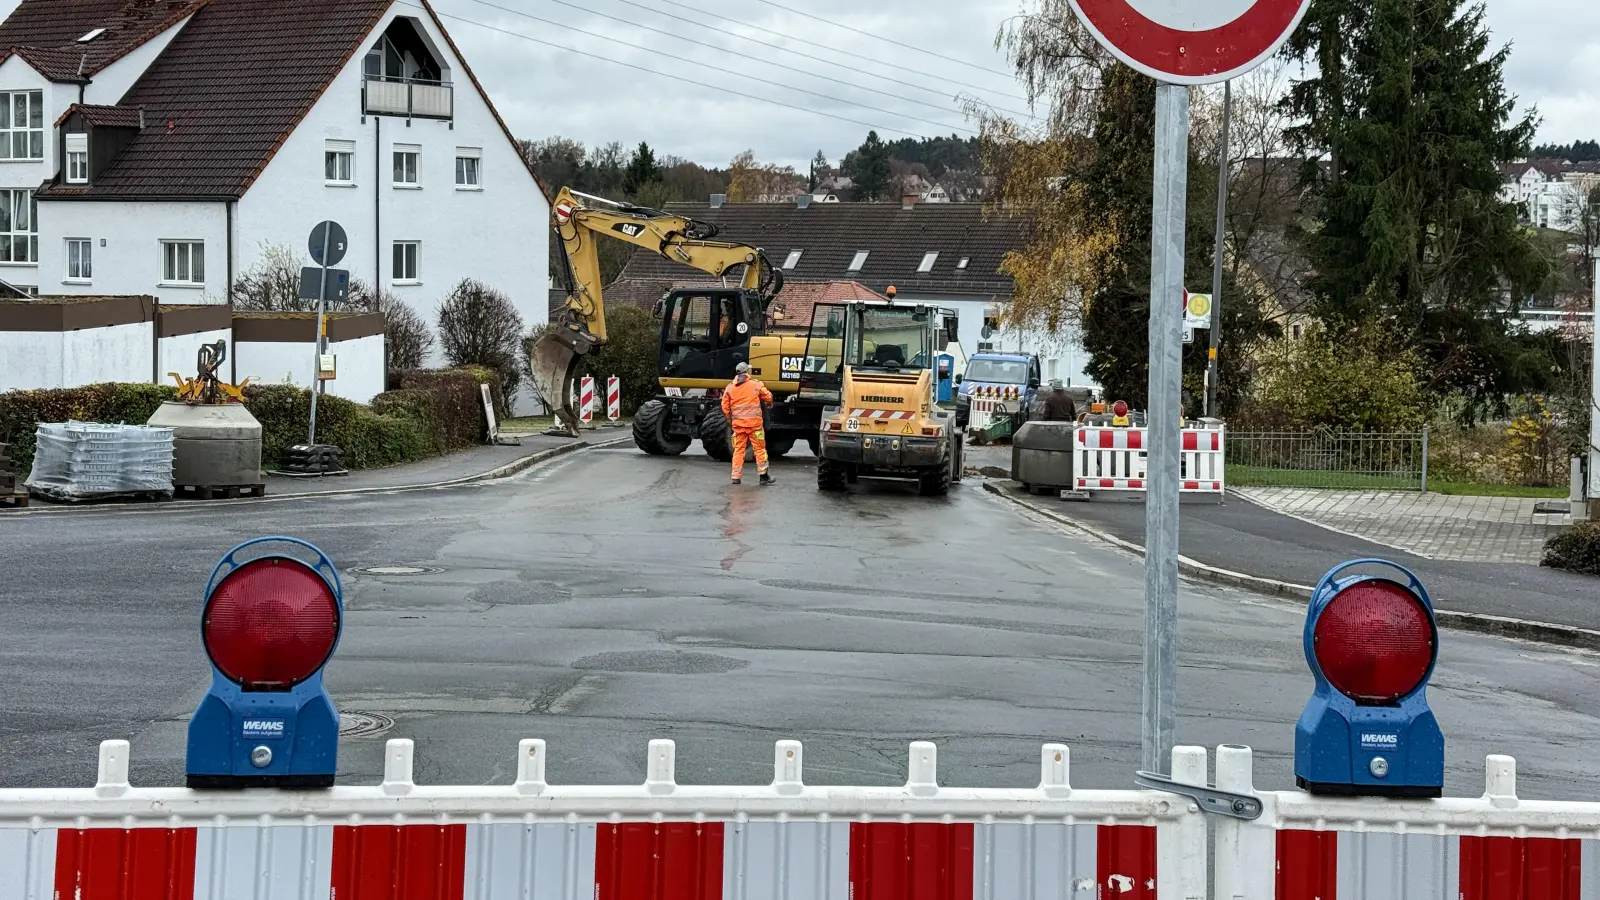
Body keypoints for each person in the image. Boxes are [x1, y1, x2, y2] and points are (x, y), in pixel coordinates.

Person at [720, 362, 775, 486]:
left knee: (738, 450)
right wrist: (769, 403)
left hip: (739, 427)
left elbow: (725, 407)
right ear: (747, 372)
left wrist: (731, 421)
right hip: (755, 426)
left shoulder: (730, 388)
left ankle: (735, 476)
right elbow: (768, 396)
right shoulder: (756, 385)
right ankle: (763, 476)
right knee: (759, 450)